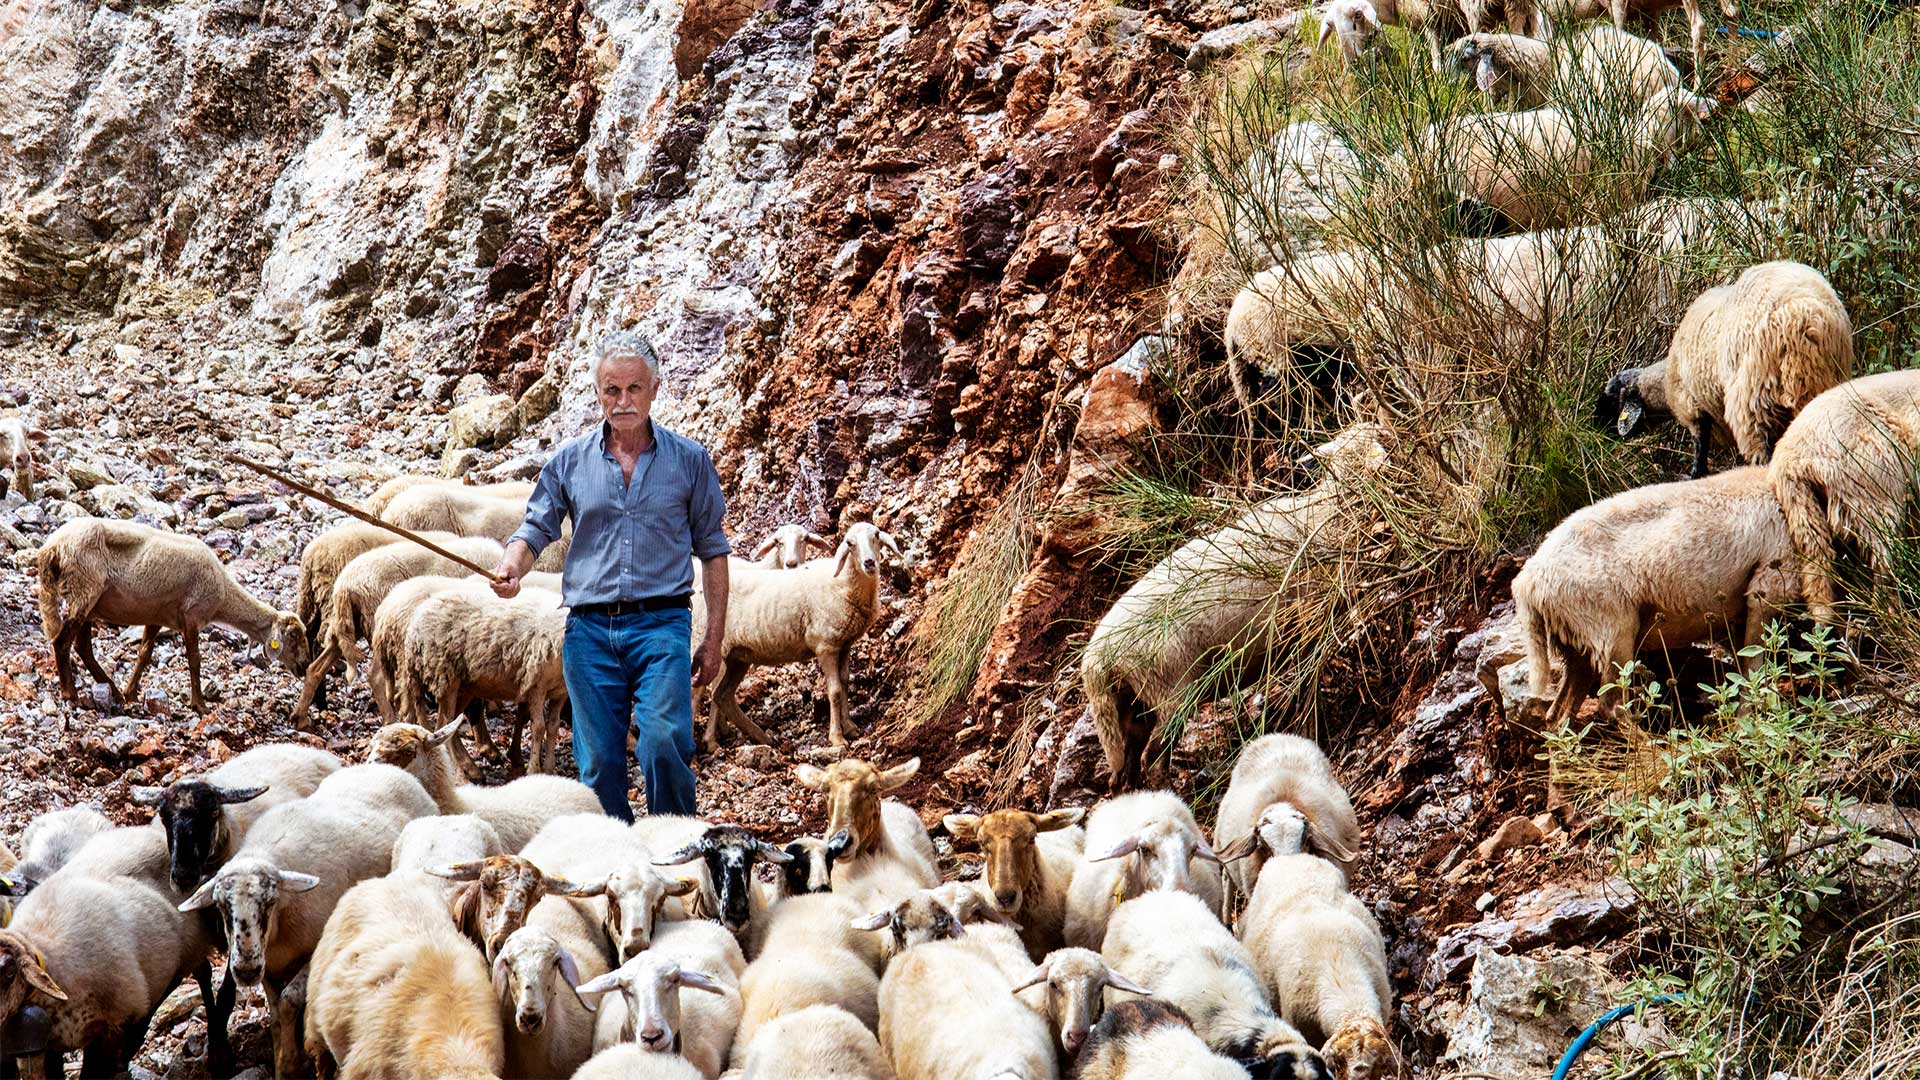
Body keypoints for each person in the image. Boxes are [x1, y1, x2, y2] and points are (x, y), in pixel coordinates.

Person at [492, 330, 730, 819]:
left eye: (634, 389)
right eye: (611, 391)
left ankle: (674, 848)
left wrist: (713, 639)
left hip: (661, 625)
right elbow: (536, 527)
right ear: (597, 392)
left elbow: (713, 551)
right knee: (598, 764)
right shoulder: (569, 461)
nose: (622, 402)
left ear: (655, 388)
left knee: (664, 743)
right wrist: (511, 566)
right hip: (589, 631)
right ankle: (614, 872)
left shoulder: (689, 461)